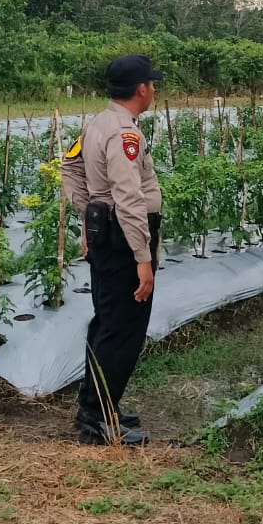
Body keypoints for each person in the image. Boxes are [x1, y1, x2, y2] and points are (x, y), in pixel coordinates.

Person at [61, 54, 164, 446]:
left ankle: (99, 407)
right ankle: (99, 419)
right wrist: (143, 258)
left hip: (108, 233)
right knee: (121, 330)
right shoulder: (124, 135)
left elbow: (69, 167)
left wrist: (89, 215)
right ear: (141, 89)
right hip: (124, 239)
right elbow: (129, 198)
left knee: (107, 323)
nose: (153, 90)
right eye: (151, 84)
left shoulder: (97, 124)